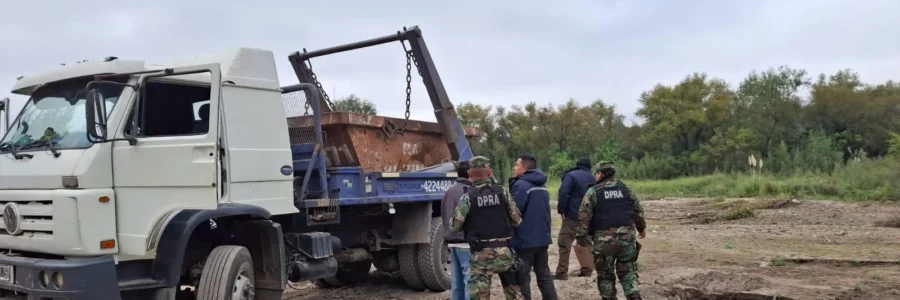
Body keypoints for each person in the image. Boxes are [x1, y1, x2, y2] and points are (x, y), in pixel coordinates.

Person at [451, 156, 525, 300]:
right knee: (515, 295)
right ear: (490, 172)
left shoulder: (467, 198)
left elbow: (455, 227)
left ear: (470, 174)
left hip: (481, 257)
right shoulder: (502, 192)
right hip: (505, 254)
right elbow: (517, 220)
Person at [574, 161, 646, 300]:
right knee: (628, 272)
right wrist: (641, 229)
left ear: (600, 174)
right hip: (627, 237)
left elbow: (583, 217)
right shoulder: (626, 189)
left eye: (596, 173)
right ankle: (634, 295)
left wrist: (581, 238)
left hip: (603, 241)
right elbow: (638, 212)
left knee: (605, 274)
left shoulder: (593, 191)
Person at [509, 154, 558, 300]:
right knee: (544, 276)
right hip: (542, 239)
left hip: (525, 240)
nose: (514, 167)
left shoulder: (521, 185)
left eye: (517, 164)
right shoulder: (542, 185)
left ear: (525, 168)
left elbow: (513, 212)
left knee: (522, 278)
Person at [554, 157, 596, 280]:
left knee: (564, 243)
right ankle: (587, 270)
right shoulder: (594, 177)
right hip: (588, 217)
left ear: (577, 165)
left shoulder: (570, 175)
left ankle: (562, 272)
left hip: (573, 215)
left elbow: (564, 193)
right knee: (586, 243)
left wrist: (562, 210)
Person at [442, 160, 474, 300]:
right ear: (470, 173)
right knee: (469, 280)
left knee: (456, 282)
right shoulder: (468, 191)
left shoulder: (449, 191)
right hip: (465, 242)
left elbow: (445, 215)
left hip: (452, 241)